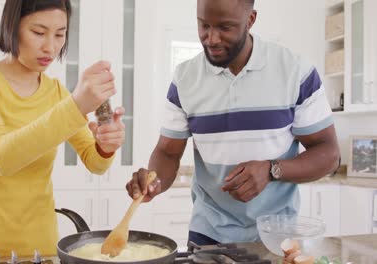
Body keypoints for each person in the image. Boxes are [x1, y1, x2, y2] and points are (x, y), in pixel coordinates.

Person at [126, 0, 340, 245]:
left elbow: (329, 153)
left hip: (276, 236)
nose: (212, 39)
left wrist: (271, 170)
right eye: (203, 25)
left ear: (250, 20)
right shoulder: (184, 79)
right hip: (208, 233)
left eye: (225, 27)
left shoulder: (296, 71)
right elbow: (167, 152)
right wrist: (155, 181)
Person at [0, 0, 125, 259]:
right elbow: (2, 157)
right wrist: (76, 106)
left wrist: (106, 146)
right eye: (39, 32)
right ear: (12, 27)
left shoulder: (56, 93)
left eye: (60, 34)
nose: (50, 47)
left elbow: (96, 163)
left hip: (41, 250)